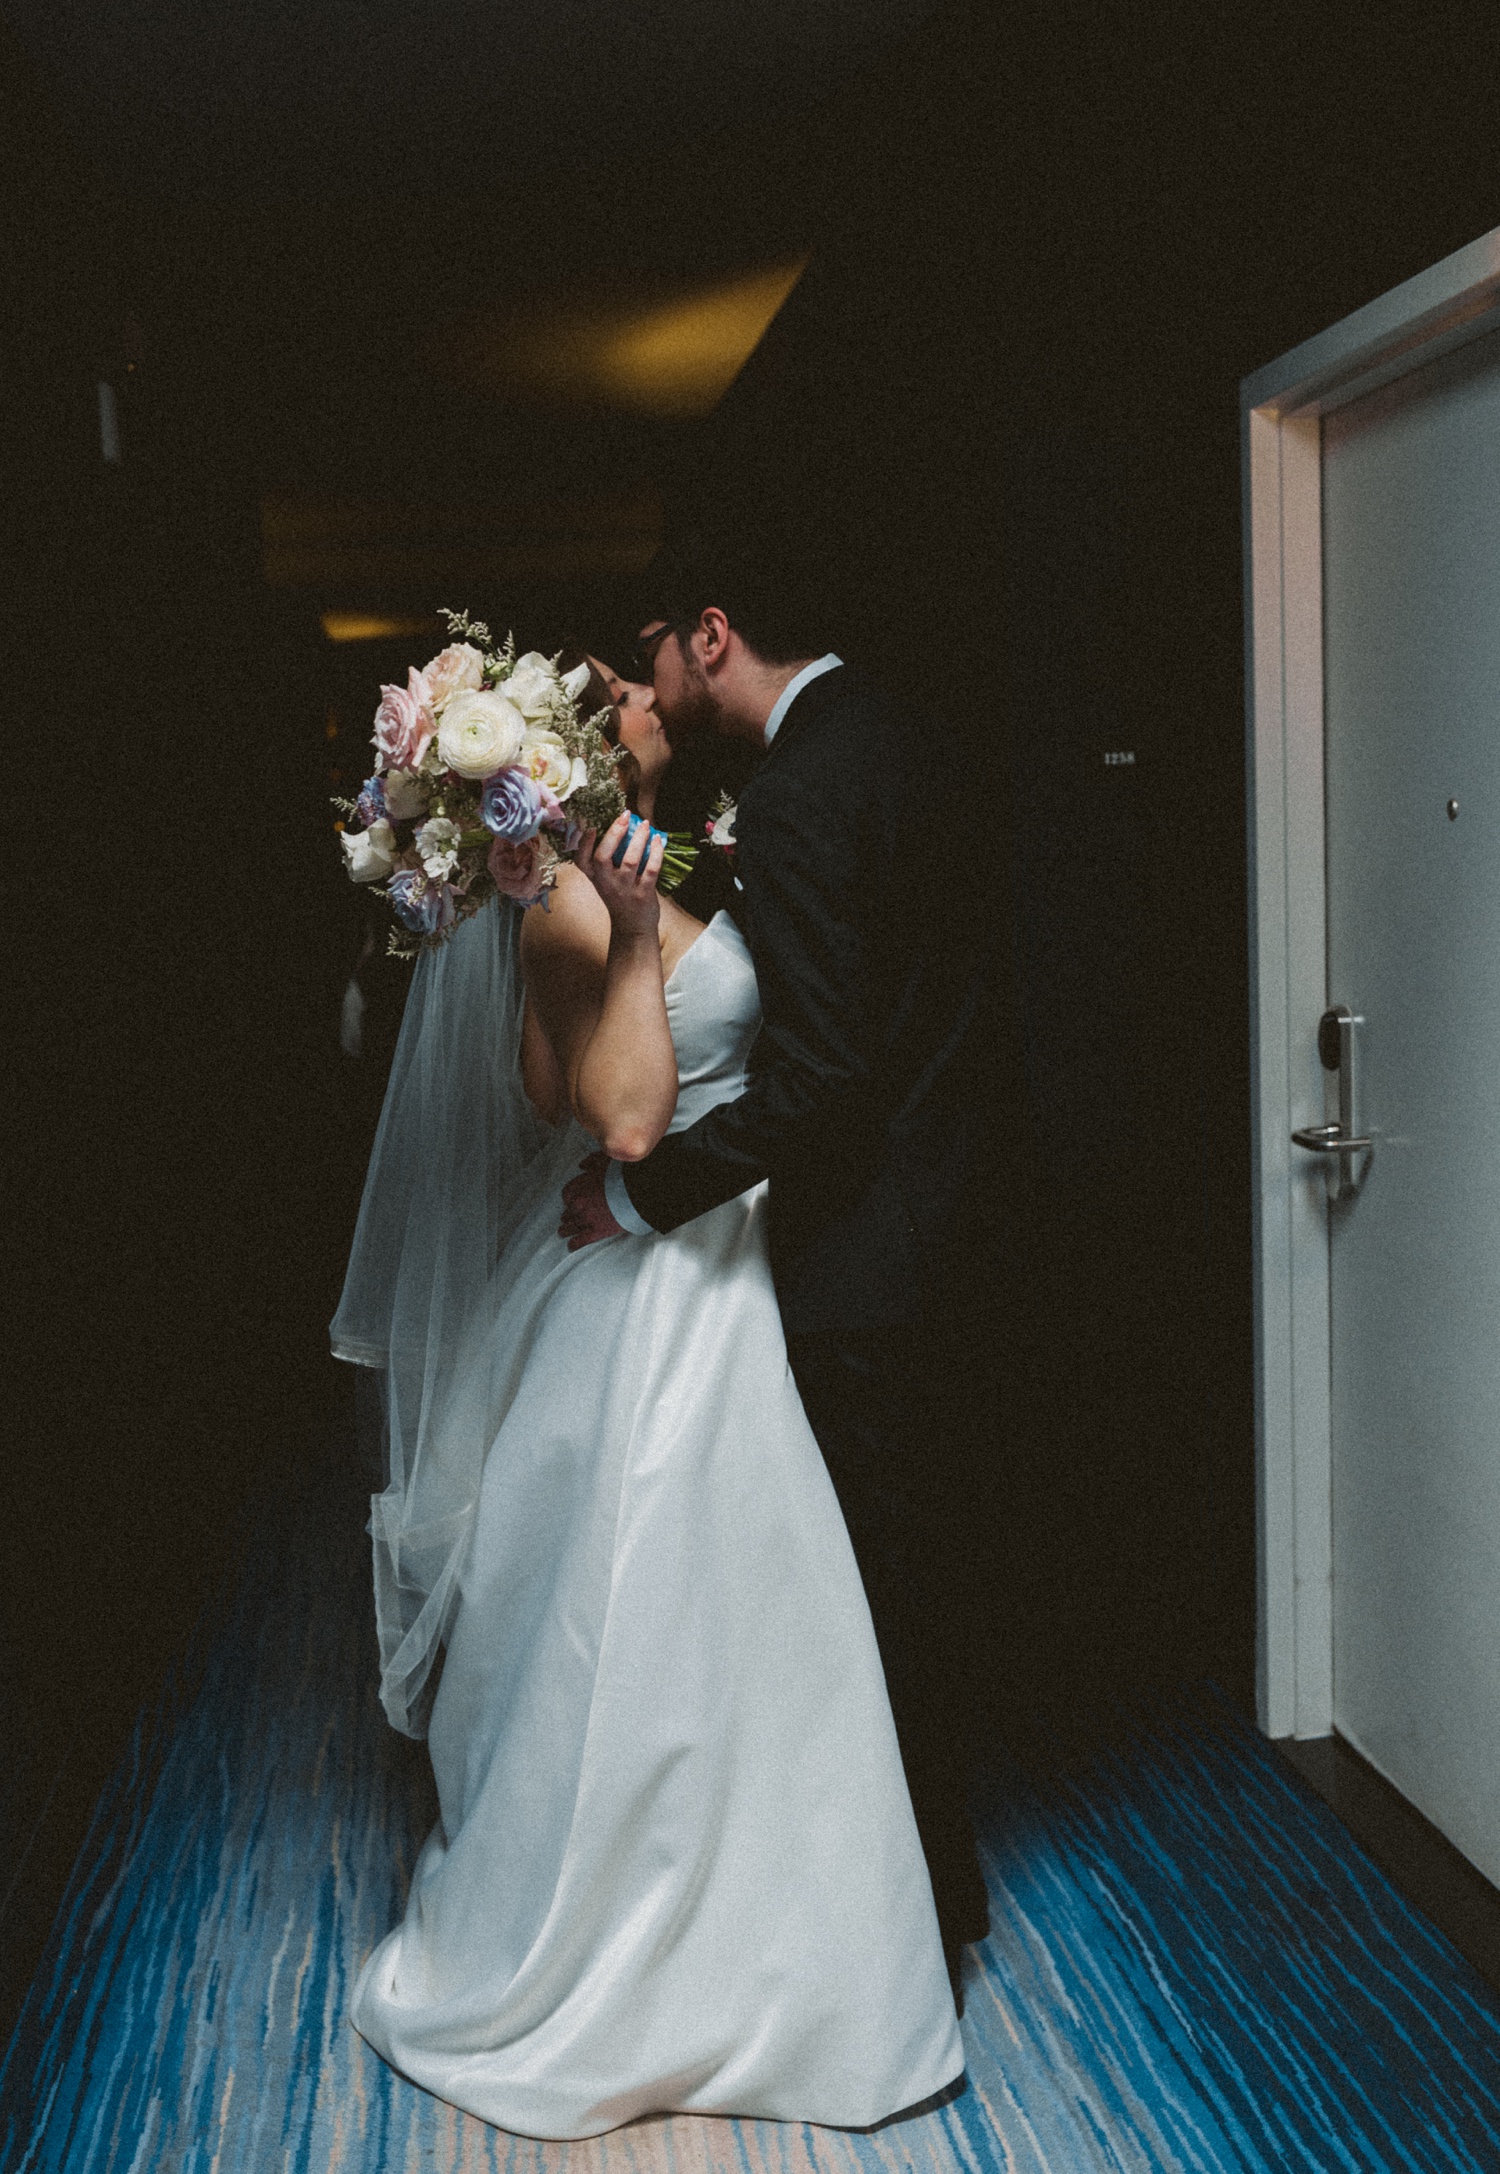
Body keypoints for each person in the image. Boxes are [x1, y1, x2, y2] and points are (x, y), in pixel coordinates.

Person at [331, 657, 963, 2138]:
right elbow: (612, 1114)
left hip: (715, 1276)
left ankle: (780, 1936)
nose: (641, 690)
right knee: (656, 1626)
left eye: (630, 678)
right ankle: (638, 1959)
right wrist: (625, 941)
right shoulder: (565, 896)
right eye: (606, 695)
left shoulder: (648, 852)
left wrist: (652, 886)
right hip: (654, 1295)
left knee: (757, 1628)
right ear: (557, 760)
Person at [559, 547, 1032, 1987]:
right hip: (961, 1206)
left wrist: (644, 1201)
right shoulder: (902, 734)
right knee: (913, 1569)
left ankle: (908, 1906)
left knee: (867, 1583)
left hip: (864, 1250)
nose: (647, 685)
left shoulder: (803, 787)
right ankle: (923, 1877)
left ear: (715, 635)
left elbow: (820, 1074)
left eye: (655, 654)